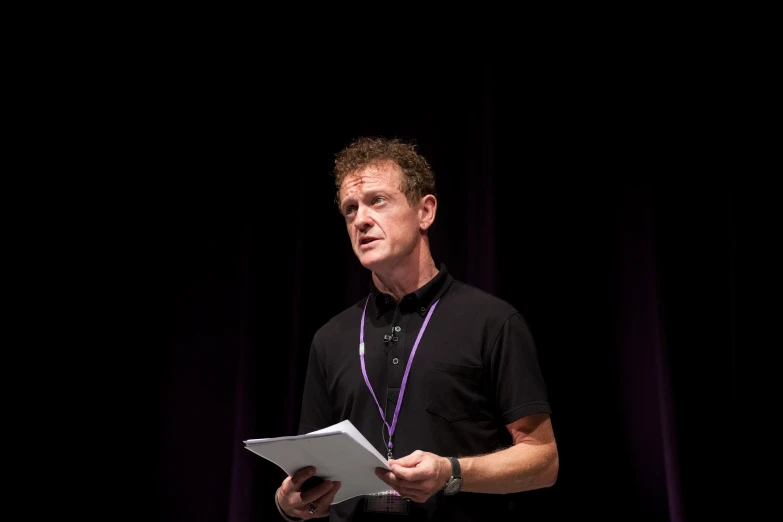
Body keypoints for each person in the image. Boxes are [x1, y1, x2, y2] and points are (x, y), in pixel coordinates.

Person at [274, 136, 558, 521]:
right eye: (350, 209)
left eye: (378, 201)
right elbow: (312, 482)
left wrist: (451, 472)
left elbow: (543, 461)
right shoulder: (330, 339)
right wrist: (292, 505)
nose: (360, 219)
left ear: (425, 212)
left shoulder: (492, 322)